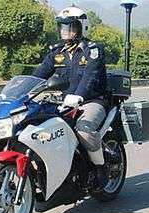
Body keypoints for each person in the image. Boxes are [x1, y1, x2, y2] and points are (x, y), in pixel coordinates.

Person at [32, 6, 110, 190]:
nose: (66, 30)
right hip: (64, 102)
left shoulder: (93, 50)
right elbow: (38, 76)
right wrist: (17, 92)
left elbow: (90, 77)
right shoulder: (56, 52)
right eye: (63, 26)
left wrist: (78, 96)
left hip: (92, 101)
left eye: (72, 26)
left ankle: (101, 167)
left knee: (83, 129)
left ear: (82, 27)